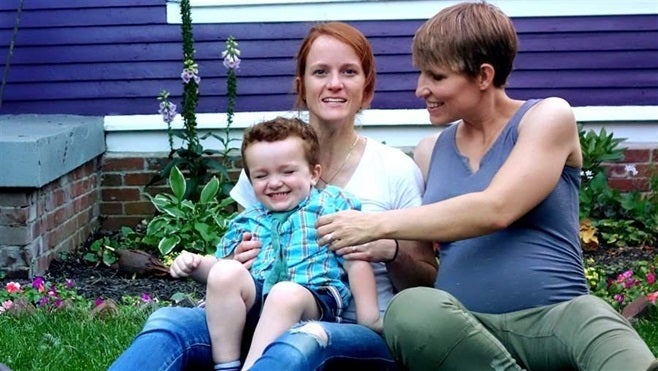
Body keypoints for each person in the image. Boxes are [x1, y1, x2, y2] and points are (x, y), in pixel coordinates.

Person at [315, 2, 658, 370]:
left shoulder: (546, 117)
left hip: (556, 320)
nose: (420, 89)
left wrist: (377, 223)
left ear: (483, 76)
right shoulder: (431, 151)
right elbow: (422, 263)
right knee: (411, 308)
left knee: (599, 326)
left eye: (436, 77)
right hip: (466, 329)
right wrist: (391, 248)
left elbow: (497, 208)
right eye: (421, 75)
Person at [109, 21, 437, 371]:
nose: (335, 83)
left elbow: (426, 277)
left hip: (350, 330)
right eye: (320, 72)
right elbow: (243, 253)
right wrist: (235, 260)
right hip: (261, 316)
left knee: (301, 341)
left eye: (349, 72)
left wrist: (390, 249)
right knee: (168, 323)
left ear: (367, 88)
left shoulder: (395, 170)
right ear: (302, 85)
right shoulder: (265, 165)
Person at [196, 116, 381, 371]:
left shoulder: (329, 208)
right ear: (251, 182)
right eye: (262, 175)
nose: (274, 182)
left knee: (284, 293)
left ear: (314, 174)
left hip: (315, 297)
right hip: (259, 296)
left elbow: (355, 259)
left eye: (287, 171)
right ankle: (226, 365)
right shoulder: (247, 220)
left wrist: (369, 317)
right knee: (226, 271)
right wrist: (197, 265)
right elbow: (221, 268)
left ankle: (253, 367)